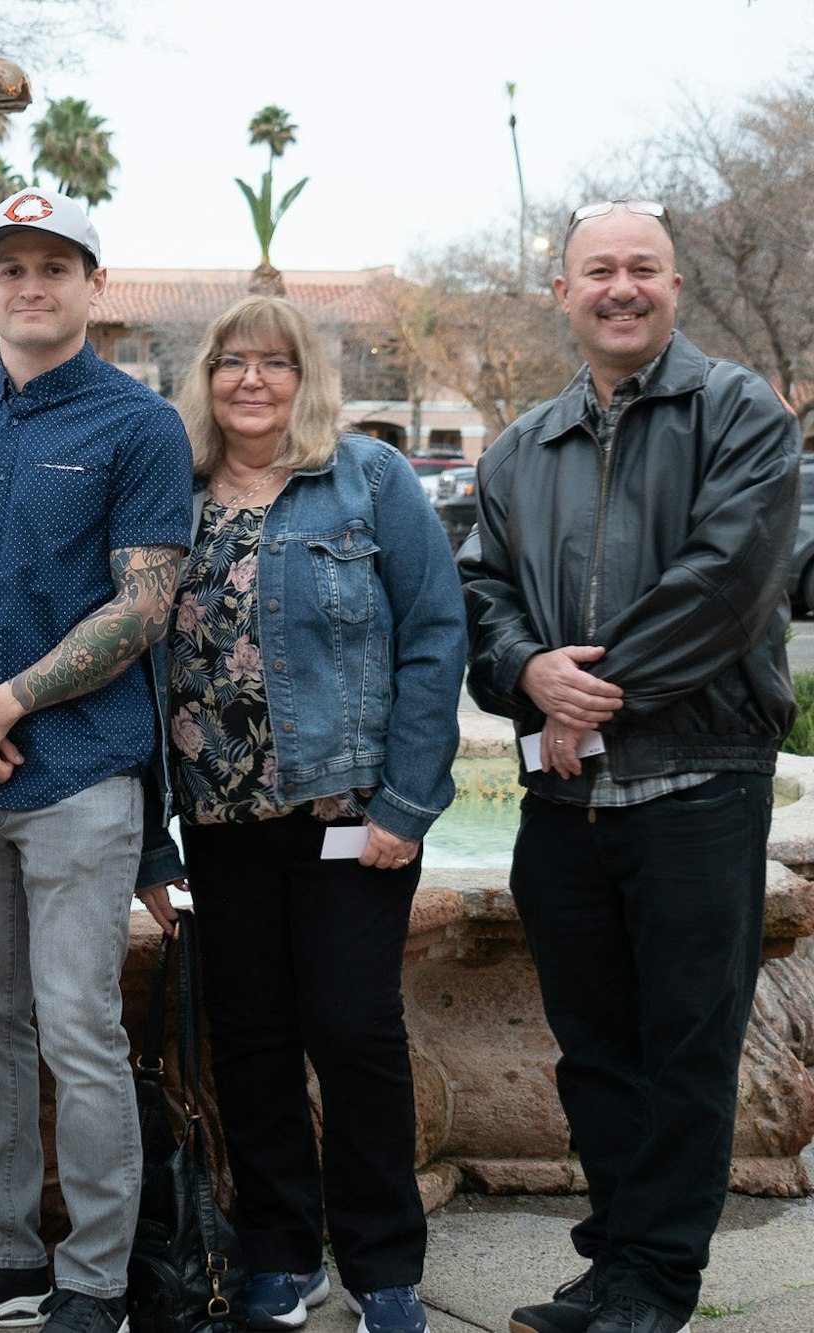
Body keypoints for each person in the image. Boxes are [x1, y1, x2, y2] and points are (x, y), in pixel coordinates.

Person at [460, 199, 799, 1333]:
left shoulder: (740, 413)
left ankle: (657, 1279)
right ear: (559, 294)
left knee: (683, 1046)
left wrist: (584, 697)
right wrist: (527, 672)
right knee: (593, 1049)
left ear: (674, 286)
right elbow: (479, 594)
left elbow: (727, 584)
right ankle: (607, 1263)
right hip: (564, 803)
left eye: (640, 268)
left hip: (697, 781)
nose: (619, 287)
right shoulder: (520, 445)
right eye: (595, 270)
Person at [0, 190, 192, 1333]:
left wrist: (3, 701)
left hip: (77, 775)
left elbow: (144, 603)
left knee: (76, 1025)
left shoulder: (136, 425)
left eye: (53, 266)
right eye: (8, 267)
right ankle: (1, 1254)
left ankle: (96, 1282)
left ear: (91, 286)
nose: (28, 285)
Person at [136, 295, 465, 1333]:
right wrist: (153, 836)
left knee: (352, 1028)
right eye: (229, 362)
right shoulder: (171, 496)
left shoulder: (367, 479)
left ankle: (382, 1266)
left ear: (303, 377)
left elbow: (432, 634)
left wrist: (407, 804)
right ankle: (280, 1251)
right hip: (220, 825)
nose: (249, 380)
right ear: (204, 377)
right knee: (250, 1036)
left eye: (272, 363)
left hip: (348, 814)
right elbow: (134, 670)